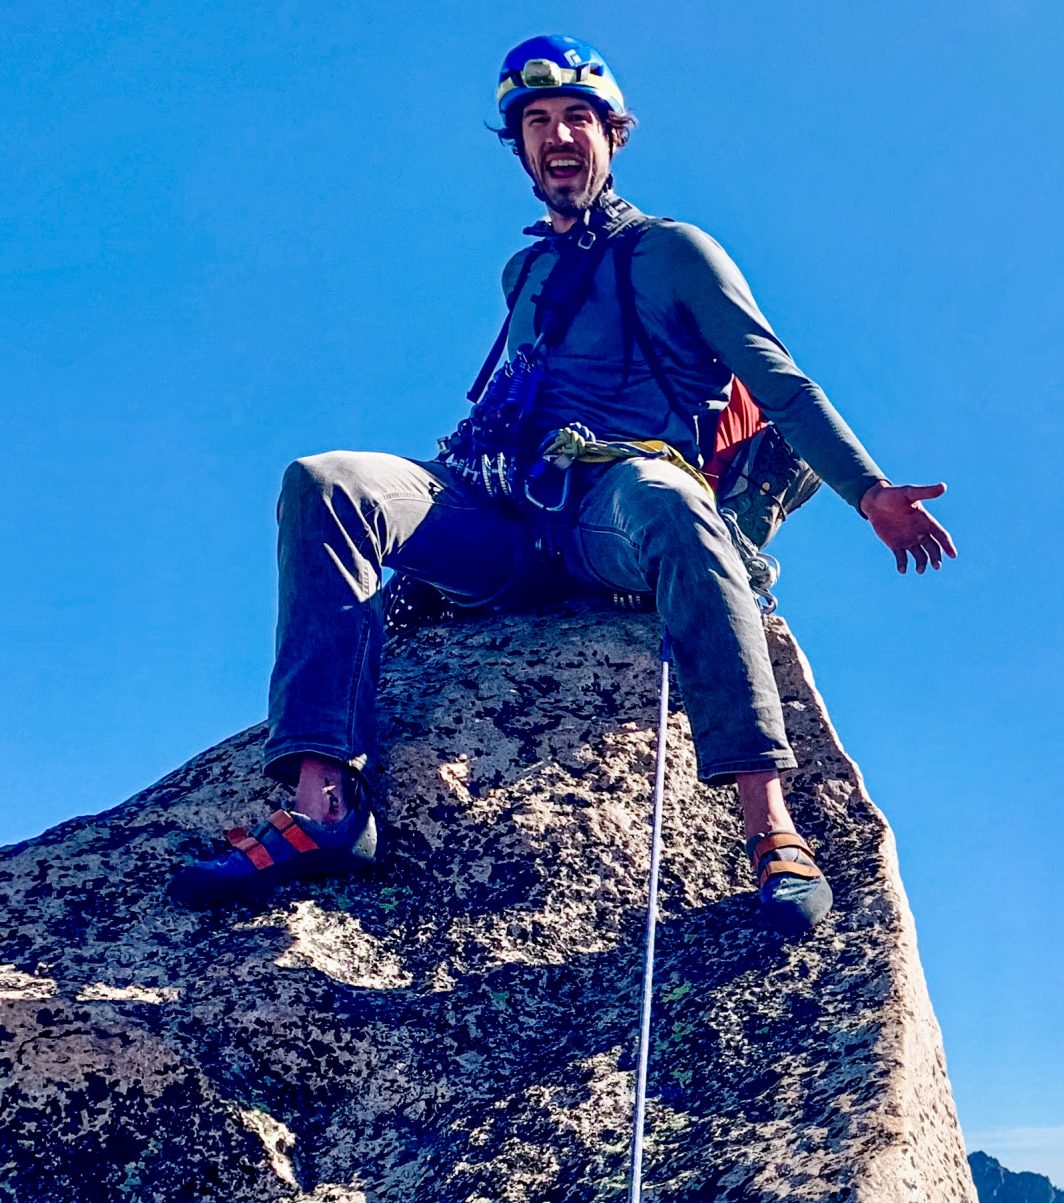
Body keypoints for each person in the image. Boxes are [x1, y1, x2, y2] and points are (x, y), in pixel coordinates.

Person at [172, 34, 954, 937]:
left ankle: (771, 828)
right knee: (325, 481)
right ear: (521, 150)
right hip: (504, 514)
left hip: (612, 507)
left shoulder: (673, 252)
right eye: (538, 123)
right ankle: (325, 808)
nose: (559, 136)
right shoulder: (527, 272)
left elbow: (778, 382)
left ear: (612, 135)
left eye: (578, 117)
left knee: (672, 501)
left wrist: (870, 492)